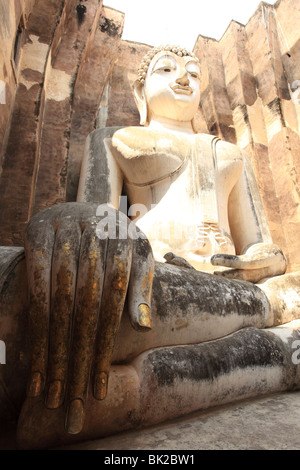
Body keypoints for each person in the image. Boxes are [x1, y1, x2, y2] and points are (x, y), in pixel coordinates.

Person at [19, 45, 299, 443]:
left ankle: (132, 392)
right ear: (139, 93)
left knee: (293, 289)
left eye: (194, 73)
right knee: (109, 296)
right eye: (166, 69)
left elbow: (263, 248)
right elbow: (101, 224)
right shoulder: (115, 139)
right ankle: (269, 345)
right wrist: (72, 218)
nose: (183, 79)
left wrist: (255, 262)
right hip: (155, 277)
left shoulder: (230, 153)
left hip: (232, 281)